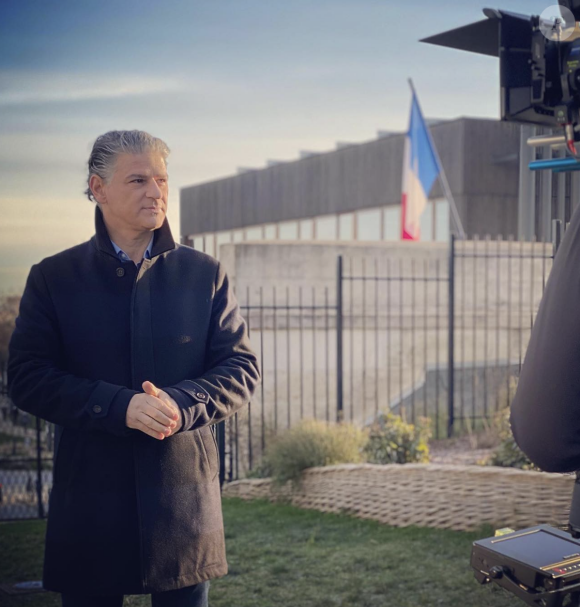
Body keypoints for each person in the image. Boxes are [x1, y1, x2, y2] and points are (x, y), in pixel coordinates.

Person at [7, 130, 261, 606]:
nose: (156, 192)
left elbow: (241, 367)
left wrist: (182, 404)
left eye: (162, 179)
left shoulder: (205, 273)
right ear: (97, 188)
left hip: (182, 500)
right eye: (139, 179)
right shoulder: (53, 277)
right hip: (90, 503)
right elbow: (27, 377)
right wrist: (119, 406)